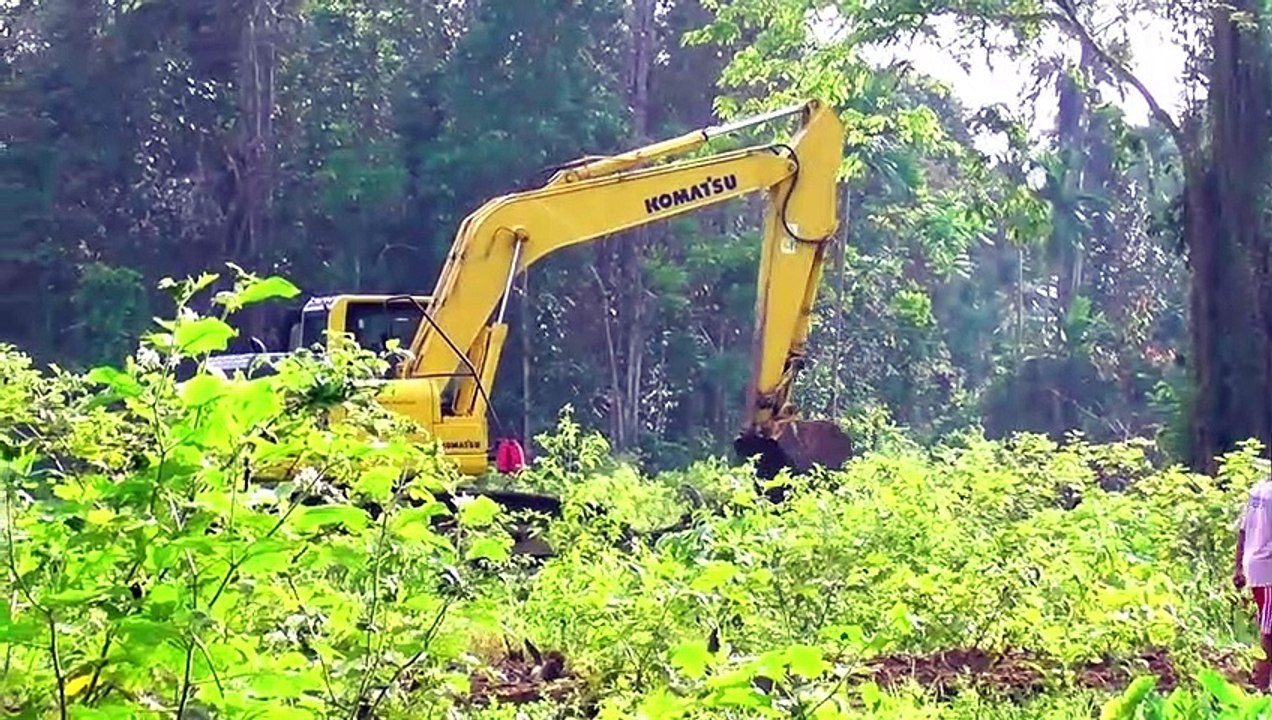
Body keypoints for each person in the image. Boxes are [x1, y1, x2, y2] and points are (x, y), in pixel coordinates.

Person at [1234, 470, 1272, 691]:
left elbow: (1242, 531)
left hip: (1256, 566)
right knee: (1269, 631)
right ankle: (1261, 687)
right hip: (1268, 568)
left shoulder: (1257, 490)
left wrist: (1238, 566)